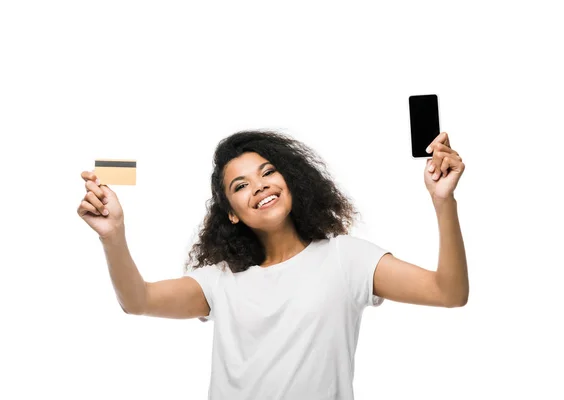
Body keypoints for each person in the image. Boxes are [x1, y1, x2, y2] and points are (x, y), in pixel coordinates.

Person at [77, 129, 468, 400]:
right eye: (240, 185)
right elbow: (138, 299)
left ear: (291, 181)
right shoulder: (221, 281)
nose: (260, 185)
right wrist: (113, 235)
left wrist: (442, 201)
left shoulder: (346, 259)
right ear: (230, 213)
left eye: (267, 173)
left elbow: (448, 293)